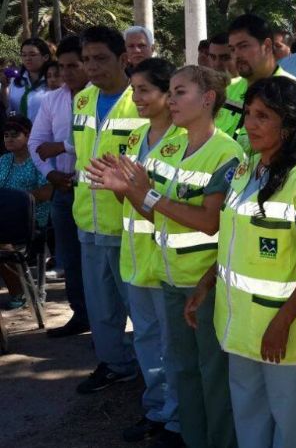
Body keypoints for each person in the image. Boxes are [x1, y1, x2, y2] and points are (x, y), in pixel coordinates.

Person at [96, 65, 241, 448]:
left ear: (208, 99)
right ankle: (191, 438)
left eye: (180, 92)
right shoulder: (171, 147)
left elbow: (210, 222)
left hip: (203, 281)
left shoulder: (227, 151)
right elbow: (155, 211)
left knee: (212, 375)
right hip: (169, 275)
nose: (171, 100)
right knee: (183, 372)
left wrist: (148, 194)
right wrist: (125, 190)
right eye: (172, 92)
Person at [187, 76, 296, 448]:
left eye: (264, 116)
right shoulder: (245, 170)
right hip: (240, 330)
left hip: (287, 336)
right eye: (249, 114)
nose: (251, 124)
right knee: (250, 423)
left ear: (289, 124)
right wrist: (206, 283)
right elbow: (235, 242)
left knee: (293, 429)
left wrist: (282, 324)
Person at [86, 58, 184, 448]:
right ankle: (159, 409)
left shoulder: (183, 143)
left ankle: (177, 419)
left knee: (171, 345)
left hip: (168, 260)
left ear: (166, 94)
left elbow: (165, 206)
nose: (136, 97)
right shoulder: (135, 138)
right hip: (137, 257)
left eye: (144, 90)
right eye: (134, 89)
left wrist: (130, 190)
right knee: (146, 339)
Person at [72, 26, 148, 394]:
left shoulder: (143, 101)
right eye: (86, 60)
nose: (92, 67)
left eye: (100, 59)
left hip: (129, 222)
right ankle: (116, 363)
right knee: (100, 303)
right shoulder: (82, 100)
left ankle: (157, 378)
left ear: (123, 59)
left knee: (142, 309)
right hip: (89, 218)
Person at [28, 36, 90, 338]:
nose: (66, 73)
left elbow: (99, 141)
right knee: (70, 258)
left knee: (101, 262)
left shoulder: (103, 98)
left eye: (73, 66)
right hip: (63, 190)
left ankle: (109, 326)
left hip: (94, 189)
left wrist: (62, 147)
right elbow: (36, 143)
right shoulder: (52, 99)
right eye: (62, 66)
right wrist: (51, 175)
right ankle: (81, 315)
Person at [219, 14, 296, 161]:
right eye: (232, 49)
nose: (237, 55)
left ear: (266, 45)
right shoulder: (227, 91)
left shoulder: (293, 93)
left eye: (243, 46)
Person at [0, 116, 51, 310]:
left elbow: (47, 192)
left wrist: (17, 201)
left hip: (31, 222)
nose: (9, 139)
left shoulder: (38, 160)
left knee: (3, 243)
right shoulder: (3, 161)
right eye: (6, 135)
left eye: (15, 135)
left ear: (28, 136)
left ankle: (17, 292)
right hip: (4, 220)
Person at [3, 38, 52, 120]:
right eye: (24, 55)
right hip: (19, 131)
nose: (27, 58)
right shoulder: (14, 81)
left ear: (45, 57)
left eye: (32, 55)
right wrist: (4, 88)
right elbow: (7, 109)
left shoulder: (54, 82)